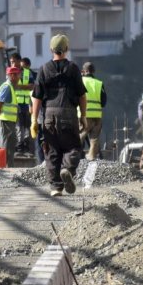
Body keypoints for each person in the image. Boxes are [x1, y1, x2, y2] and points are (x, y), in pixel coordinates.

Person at [30, 34, 87, 197]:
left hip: (49, 116)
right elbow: (82, 95)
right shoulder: (73, 68)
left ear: (51, 49)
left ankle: (56, 187)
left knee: (52, 151)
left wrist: (34, 119)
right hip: (68, 114)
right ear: (66, 49)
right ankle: (67, 169)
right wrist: (83, 116)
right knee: (74, 147)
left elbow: (37, 97)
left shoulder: (44, 69)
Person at [0, 66, 21, 167]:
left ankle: (9, 166)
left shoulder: (10, 87)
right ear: (12, 75)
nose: (19, 77)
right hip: (5, 121)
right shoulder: (6, 86)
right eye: (17, 75)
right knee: (5, 145)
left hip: (9, 121)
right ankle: (4, 166)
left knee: (10, 145)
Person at [80, 61, 107, 160]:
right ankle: (91, 157)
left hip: (84, 114)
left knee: (80, 136)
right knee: (94, 138)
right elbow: (103, 102)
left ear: (83, 71)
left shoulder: (80, 81)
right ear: (93, 71)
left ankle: (74, 156)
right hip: (97, 115)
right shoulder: (99, 83)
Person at [15, 57, 35, 156]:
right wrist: (25, 87)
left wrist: (20, 86)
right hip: (16, 104)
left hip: (26, 104)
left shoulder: (28, 73)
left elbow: (32, 86)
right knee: (19, 127)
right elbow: (13, 86)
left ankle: (26, 148)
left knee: (26, 127)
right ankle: (19, 148)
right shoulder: (13, 72)